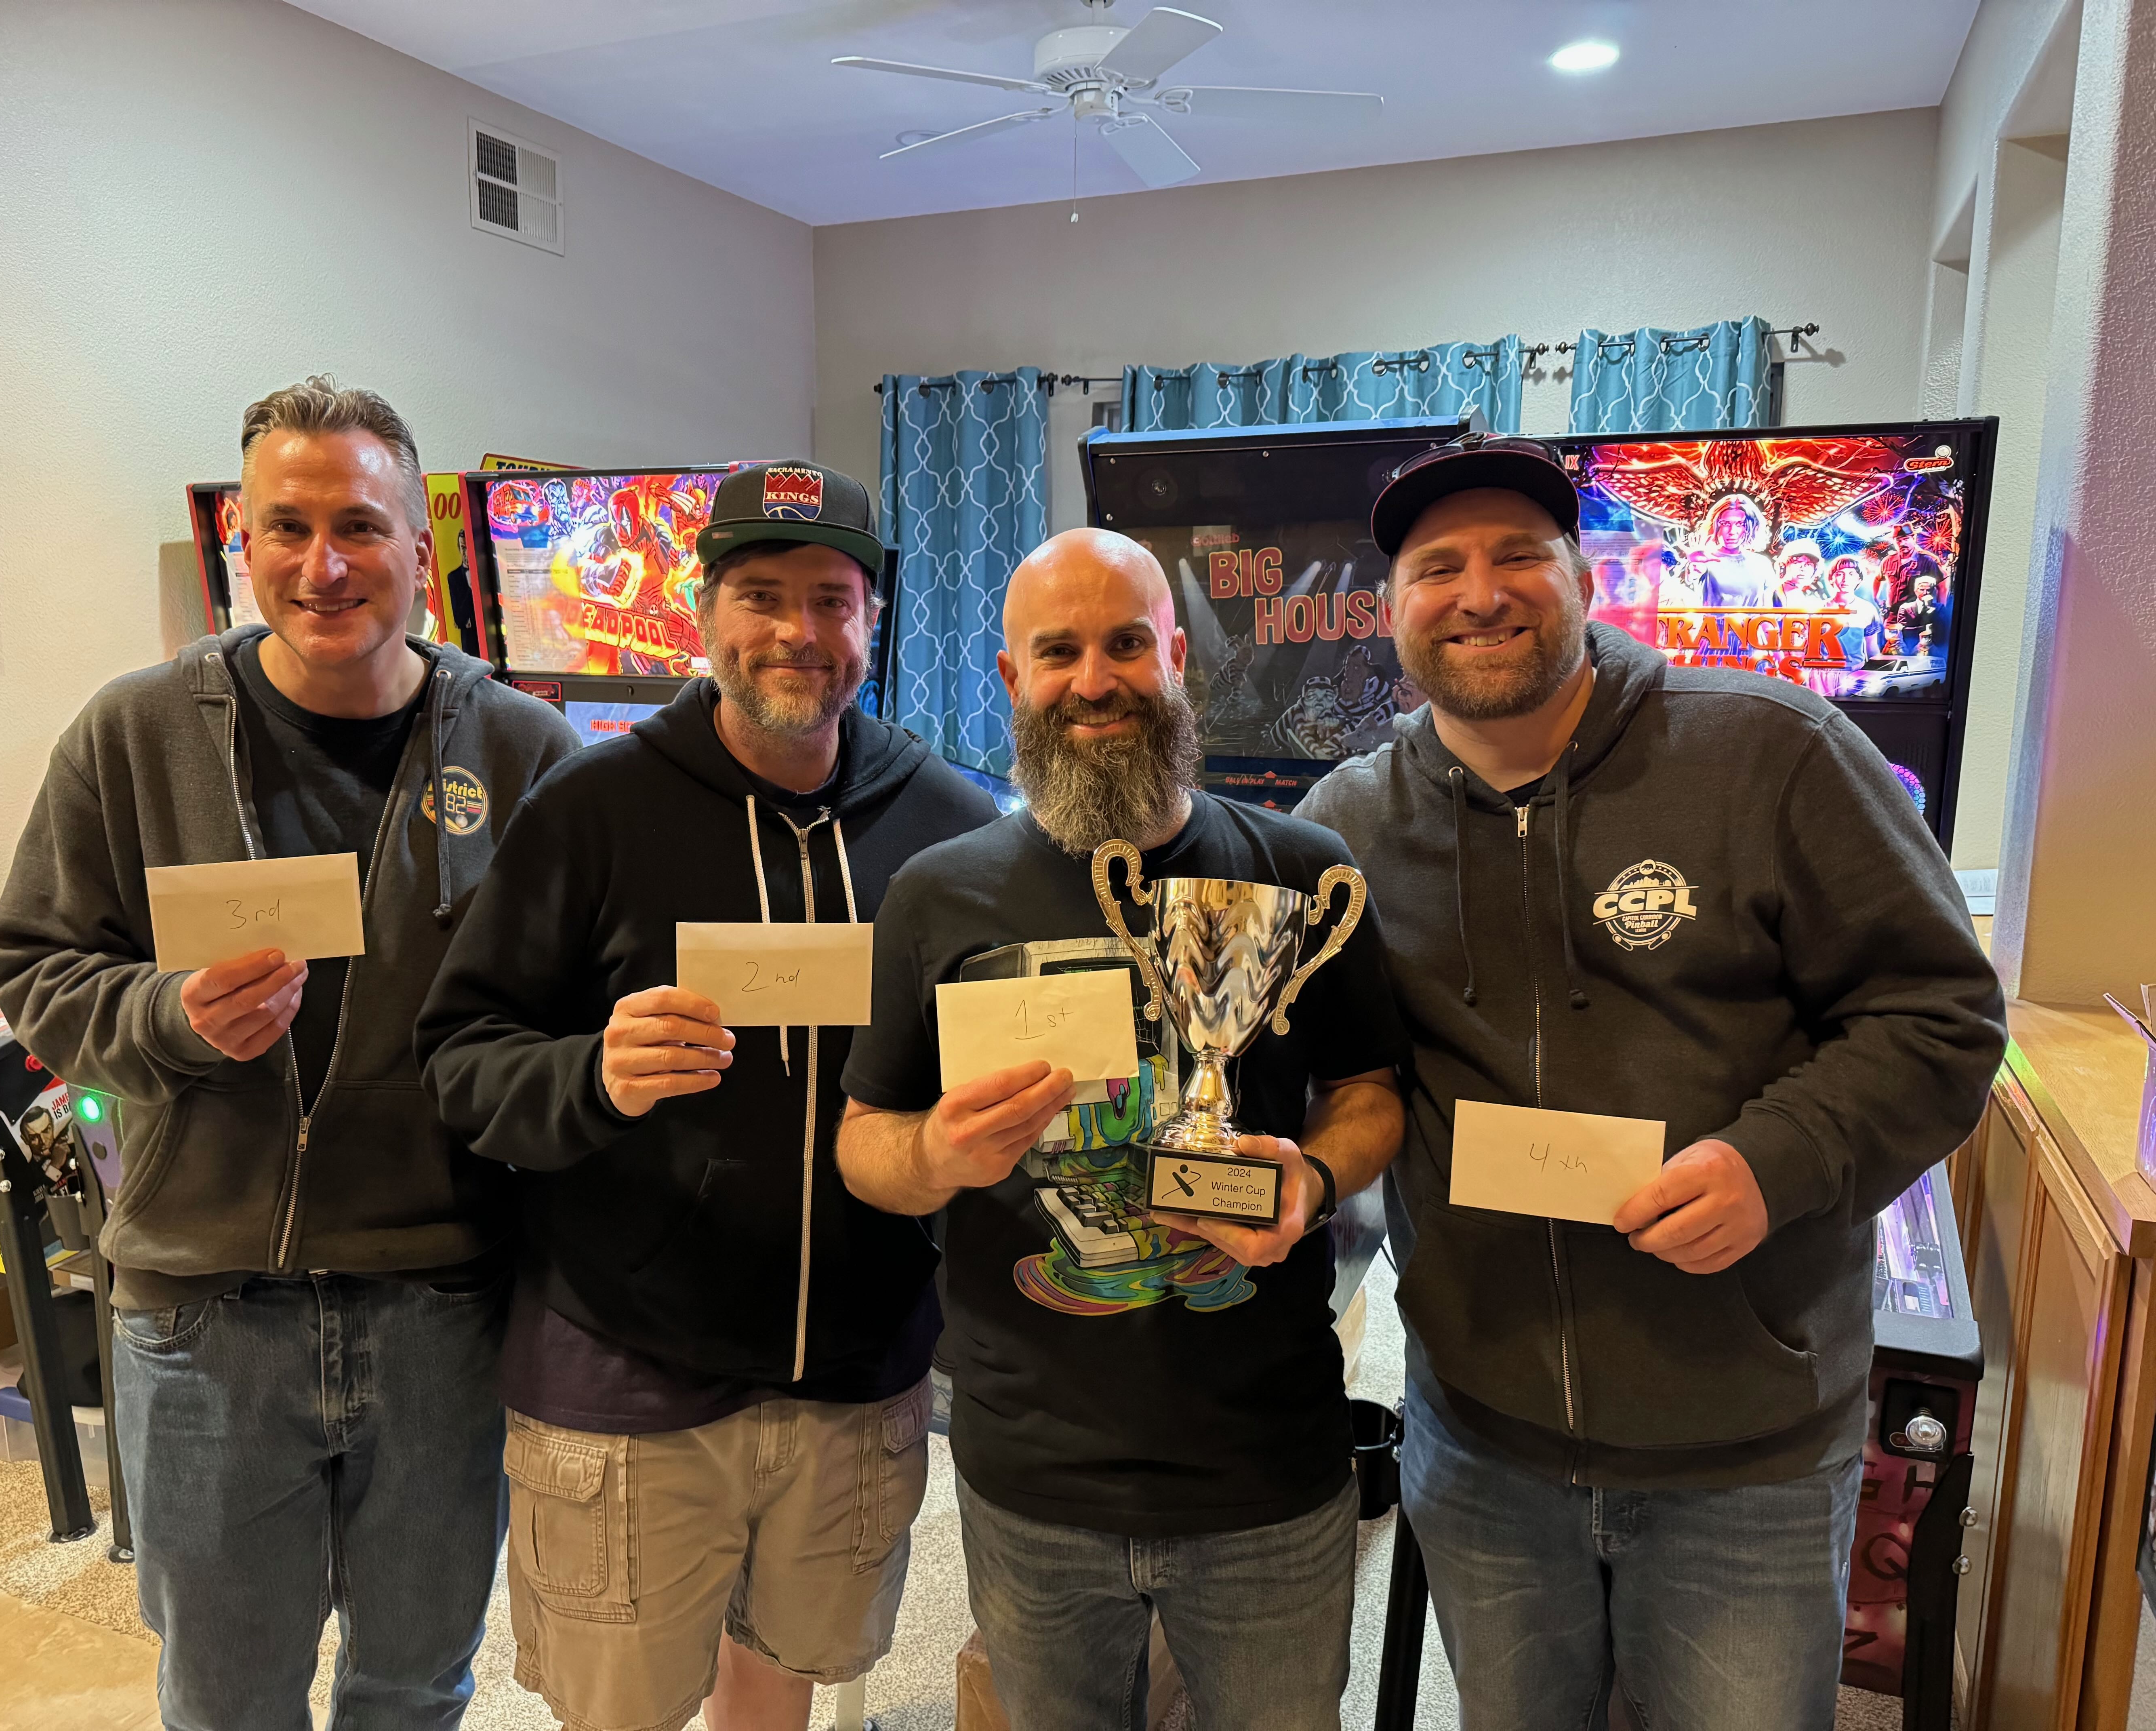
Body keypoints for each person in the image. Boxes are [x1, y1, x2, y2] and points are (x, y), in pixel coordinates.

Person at [1295, 435, 2007, 1730]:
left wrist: (1771, 1162)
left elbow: (1942, 1015)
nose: (1480, 593)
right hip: (1484, 1437)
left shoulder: (1775, 752)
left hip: (1744, 1453)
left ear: (1586, 579)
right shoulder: (1346, 823)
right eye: (1438, 568)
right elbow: (1332, 1073)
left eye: (1519, 555)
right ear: (1390, 609)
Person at [0, 377, 578, 1729]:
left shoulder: (526, 749)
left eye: (359, 526)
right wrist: (169, 1019)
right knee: (225, 1697)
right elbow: (34, 965)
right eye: (288, 528)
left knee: (415, 1684)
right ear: (241, 543)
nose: (325, 565)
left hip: (441, 1303)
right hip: (205, 1309)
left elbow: (572, 1010)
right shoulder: (133, 735)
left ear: (419, 549)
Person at [416, 461, 995, 1731]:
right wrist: (592, 1073)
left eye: (832, 598)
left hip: (857, 1371)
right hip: (629, 1370)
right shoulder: (591, 807)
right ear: (702, 612)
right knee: (621, 1709)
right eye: (761, 595)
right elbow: (461, 1055)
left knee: (780, 1687)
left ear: (874, 620)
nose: (798, 630)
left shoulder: (950, 822)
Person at [834, 528, 1408, 1731]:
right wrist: (934, 1154)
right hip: (1033, 1477)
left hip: (1267, 1465)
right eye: (1059, 652)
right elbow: (864, 1141)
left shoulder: (1298, 866)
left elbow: (1370, 1093)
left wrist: (1308, 1179)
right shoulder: (939, 894)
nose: (1095, 681)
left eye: (1127, 644)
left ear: (1177, 657)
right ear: (1012, 676)